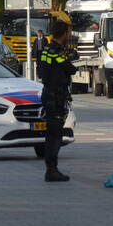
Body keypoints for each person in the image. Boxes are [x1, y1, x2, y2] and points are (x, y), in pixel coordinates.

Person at [38, 21, 77, 182]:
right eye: (68, 33)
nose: (69, 35)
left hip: (48, 93)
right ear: (64, 34)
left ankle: (51, 169)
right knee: (55, 135)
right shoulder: (57, 51)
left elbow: (42, 71)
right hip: (56, 96)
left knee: (51, 134)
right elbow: (70, 69)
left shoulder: (47, 48)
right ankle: (52, 170)